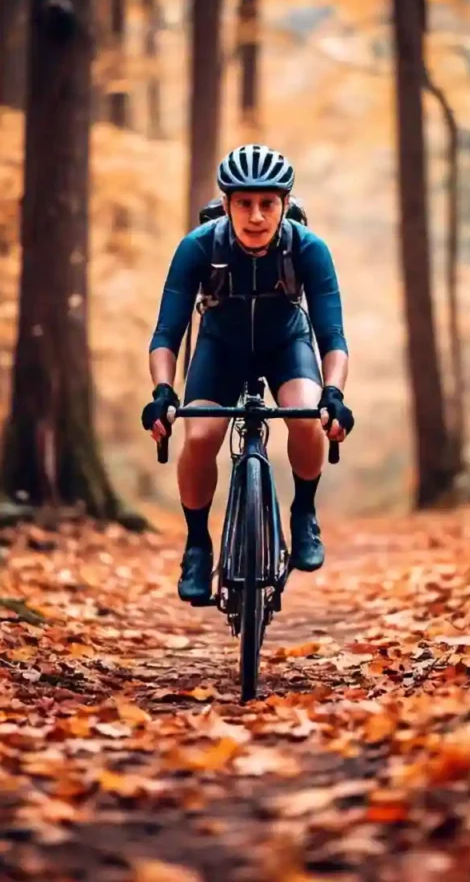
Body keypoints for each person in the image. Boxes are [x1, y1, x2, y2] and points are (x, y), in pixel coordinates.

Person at [142, 144, 355, 604]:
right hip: (219, 350)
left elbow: (332, 336)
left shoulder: (308, 249)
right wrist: (162, 390)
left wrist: (334, 393)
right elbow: (167, 333)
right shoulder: (198, 247)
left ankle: (304, 513)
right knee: (200, 437)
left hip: (286, 347)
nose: (256, 215)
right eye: (244, 203)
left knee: (305, 415)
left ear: (284, 204)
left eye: (267, 203)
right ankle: (197, 544)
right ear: (226, 204)